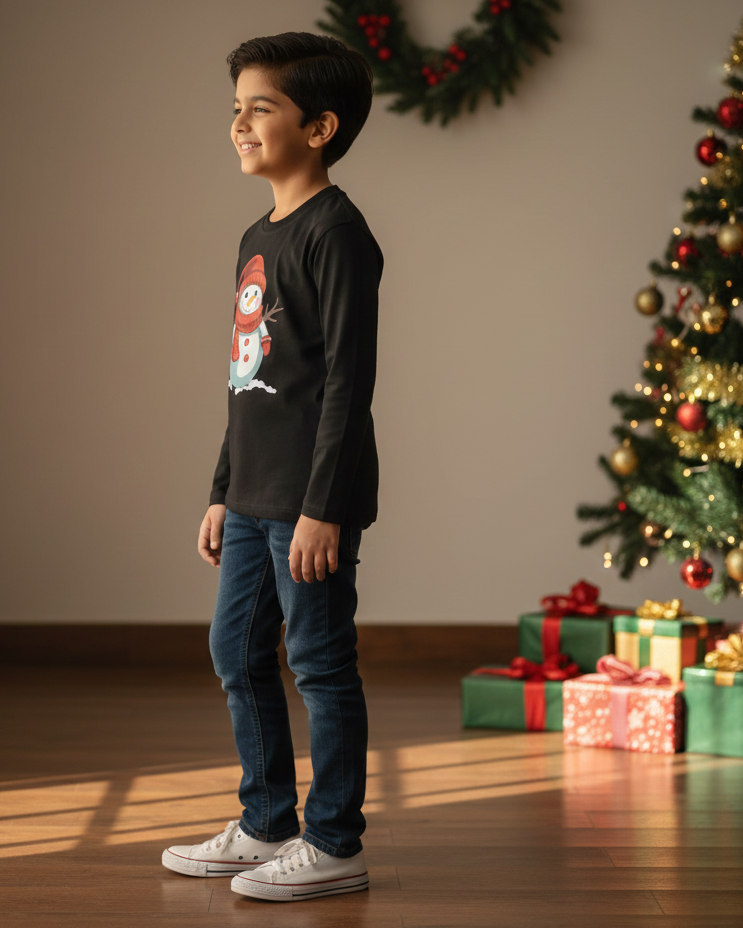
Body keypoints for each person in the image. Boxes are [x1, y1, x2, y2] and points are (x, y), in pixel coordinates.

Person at [160, 32, 383, 903]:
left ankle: (334, 841)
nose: (240, 124)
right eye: (236, 109)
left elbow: (344, 384)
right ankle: (265, 821)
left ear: (320, 127)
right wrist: (223, 490)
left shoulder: (338, 233)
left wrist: (323, 506)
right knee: (236, 650)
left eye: (262, 108)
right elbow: (247, 378)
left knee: (320, 661)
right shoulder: (258, 232)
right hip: (253, 492)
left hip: (310, 498)